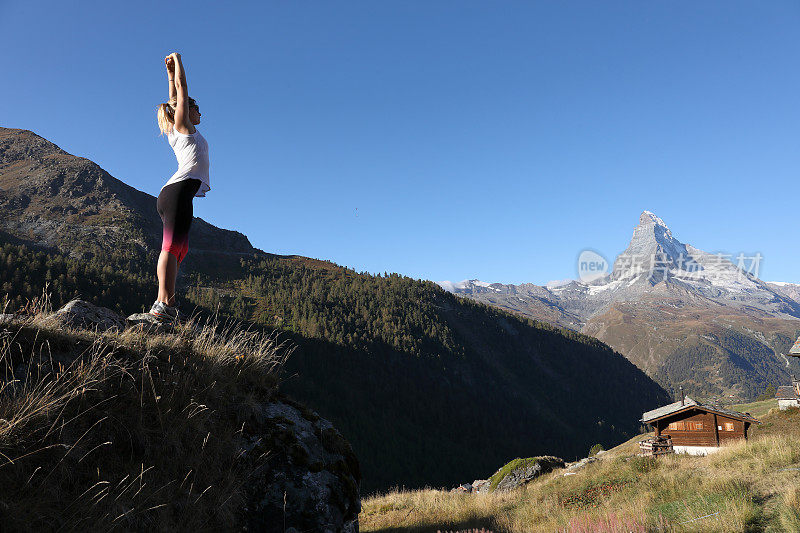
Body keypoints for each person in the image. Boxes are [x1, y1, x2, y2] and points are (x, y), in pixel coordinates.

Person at [149, 52, 210, 322]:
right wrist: (179, 61)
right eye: (197, 108)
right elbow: (182, 92)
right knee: (171, 247)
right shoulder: (182, 125)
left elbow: (175, 92)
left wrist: (170, 73)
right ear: (187, 110)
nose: (200, 113)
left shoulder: (180, 129)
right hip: (177, 192)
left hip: (181, 194)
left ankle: (169, 302)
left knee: (180, 249)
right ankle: (162, 303)